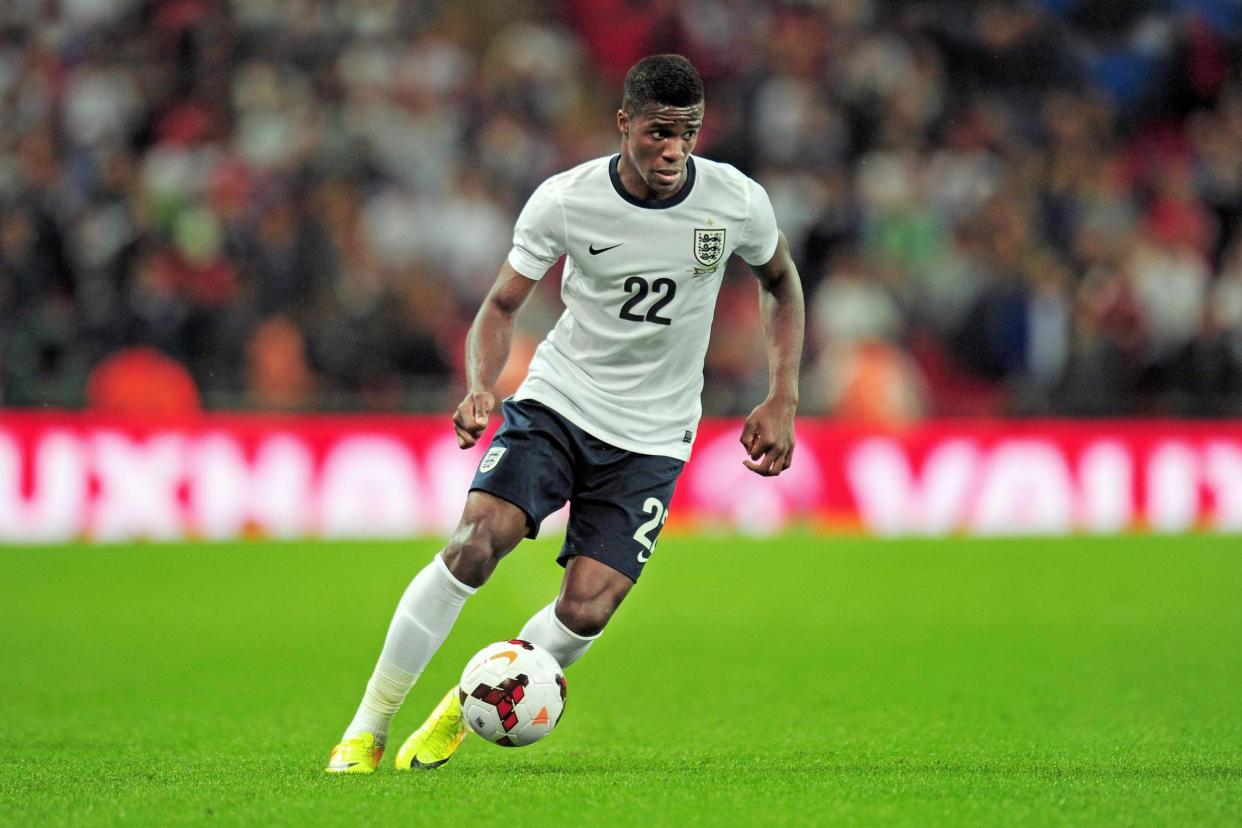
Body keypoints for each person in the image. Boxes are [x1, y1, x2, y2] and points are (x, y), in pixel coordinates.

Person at [326, 54, 804, 773]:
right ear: (624, 124)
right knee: (474, 543)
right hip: (560, 402)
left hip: (653, 435)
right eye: (657, 133)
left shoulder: (735, 200)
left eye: (689, 134)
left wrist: (783, 392)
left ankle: (465, 703)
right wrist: (480, 384)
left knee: (587, 609)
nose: (674, 150)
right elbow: (501, 305)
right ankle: (366, 729)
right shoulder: (566, 200)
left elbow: (781, 282)